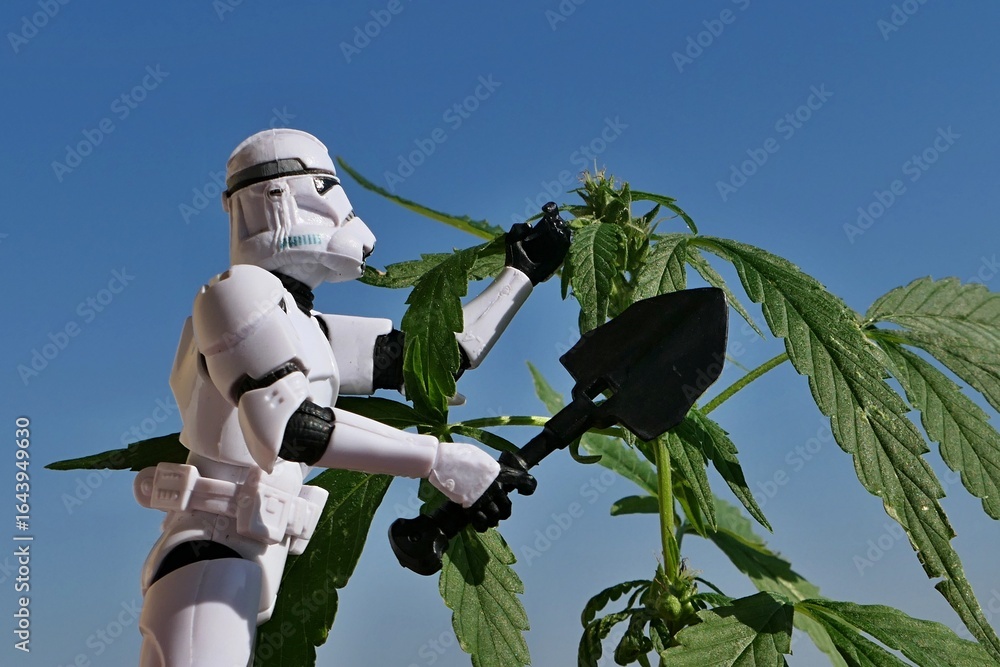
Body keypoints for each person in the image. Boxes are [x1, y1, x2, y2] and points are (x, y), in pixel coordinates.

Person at [132, 128, 570, 666]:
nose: (347, 219)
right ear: (270, 202)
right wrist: (437, 459)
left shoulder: (305, 326)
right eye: (322, 190)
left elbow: (433, 360)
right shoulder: (235, 295)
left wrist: (520, 272)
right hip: (212, 547)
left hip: (249, 555)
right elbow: (293, 427)